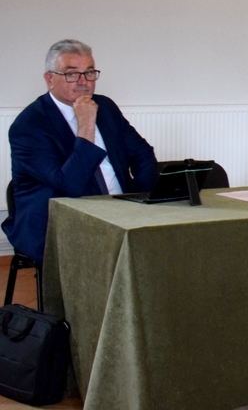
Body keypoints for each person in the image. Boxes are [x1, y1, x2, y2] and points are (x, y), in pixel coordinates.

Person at [2, 40, 158, 265]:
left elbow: (144, 155)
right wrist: (86, 127)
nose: (83, 82)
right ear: (49, 79)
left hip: (121, 211)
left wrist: (139, 199)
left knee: (171, 240)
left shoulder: (105, 107)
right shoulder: (29, 126)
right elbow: (70, 185)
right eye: (71, 74)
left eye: (89, 72)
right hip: (59, 222)